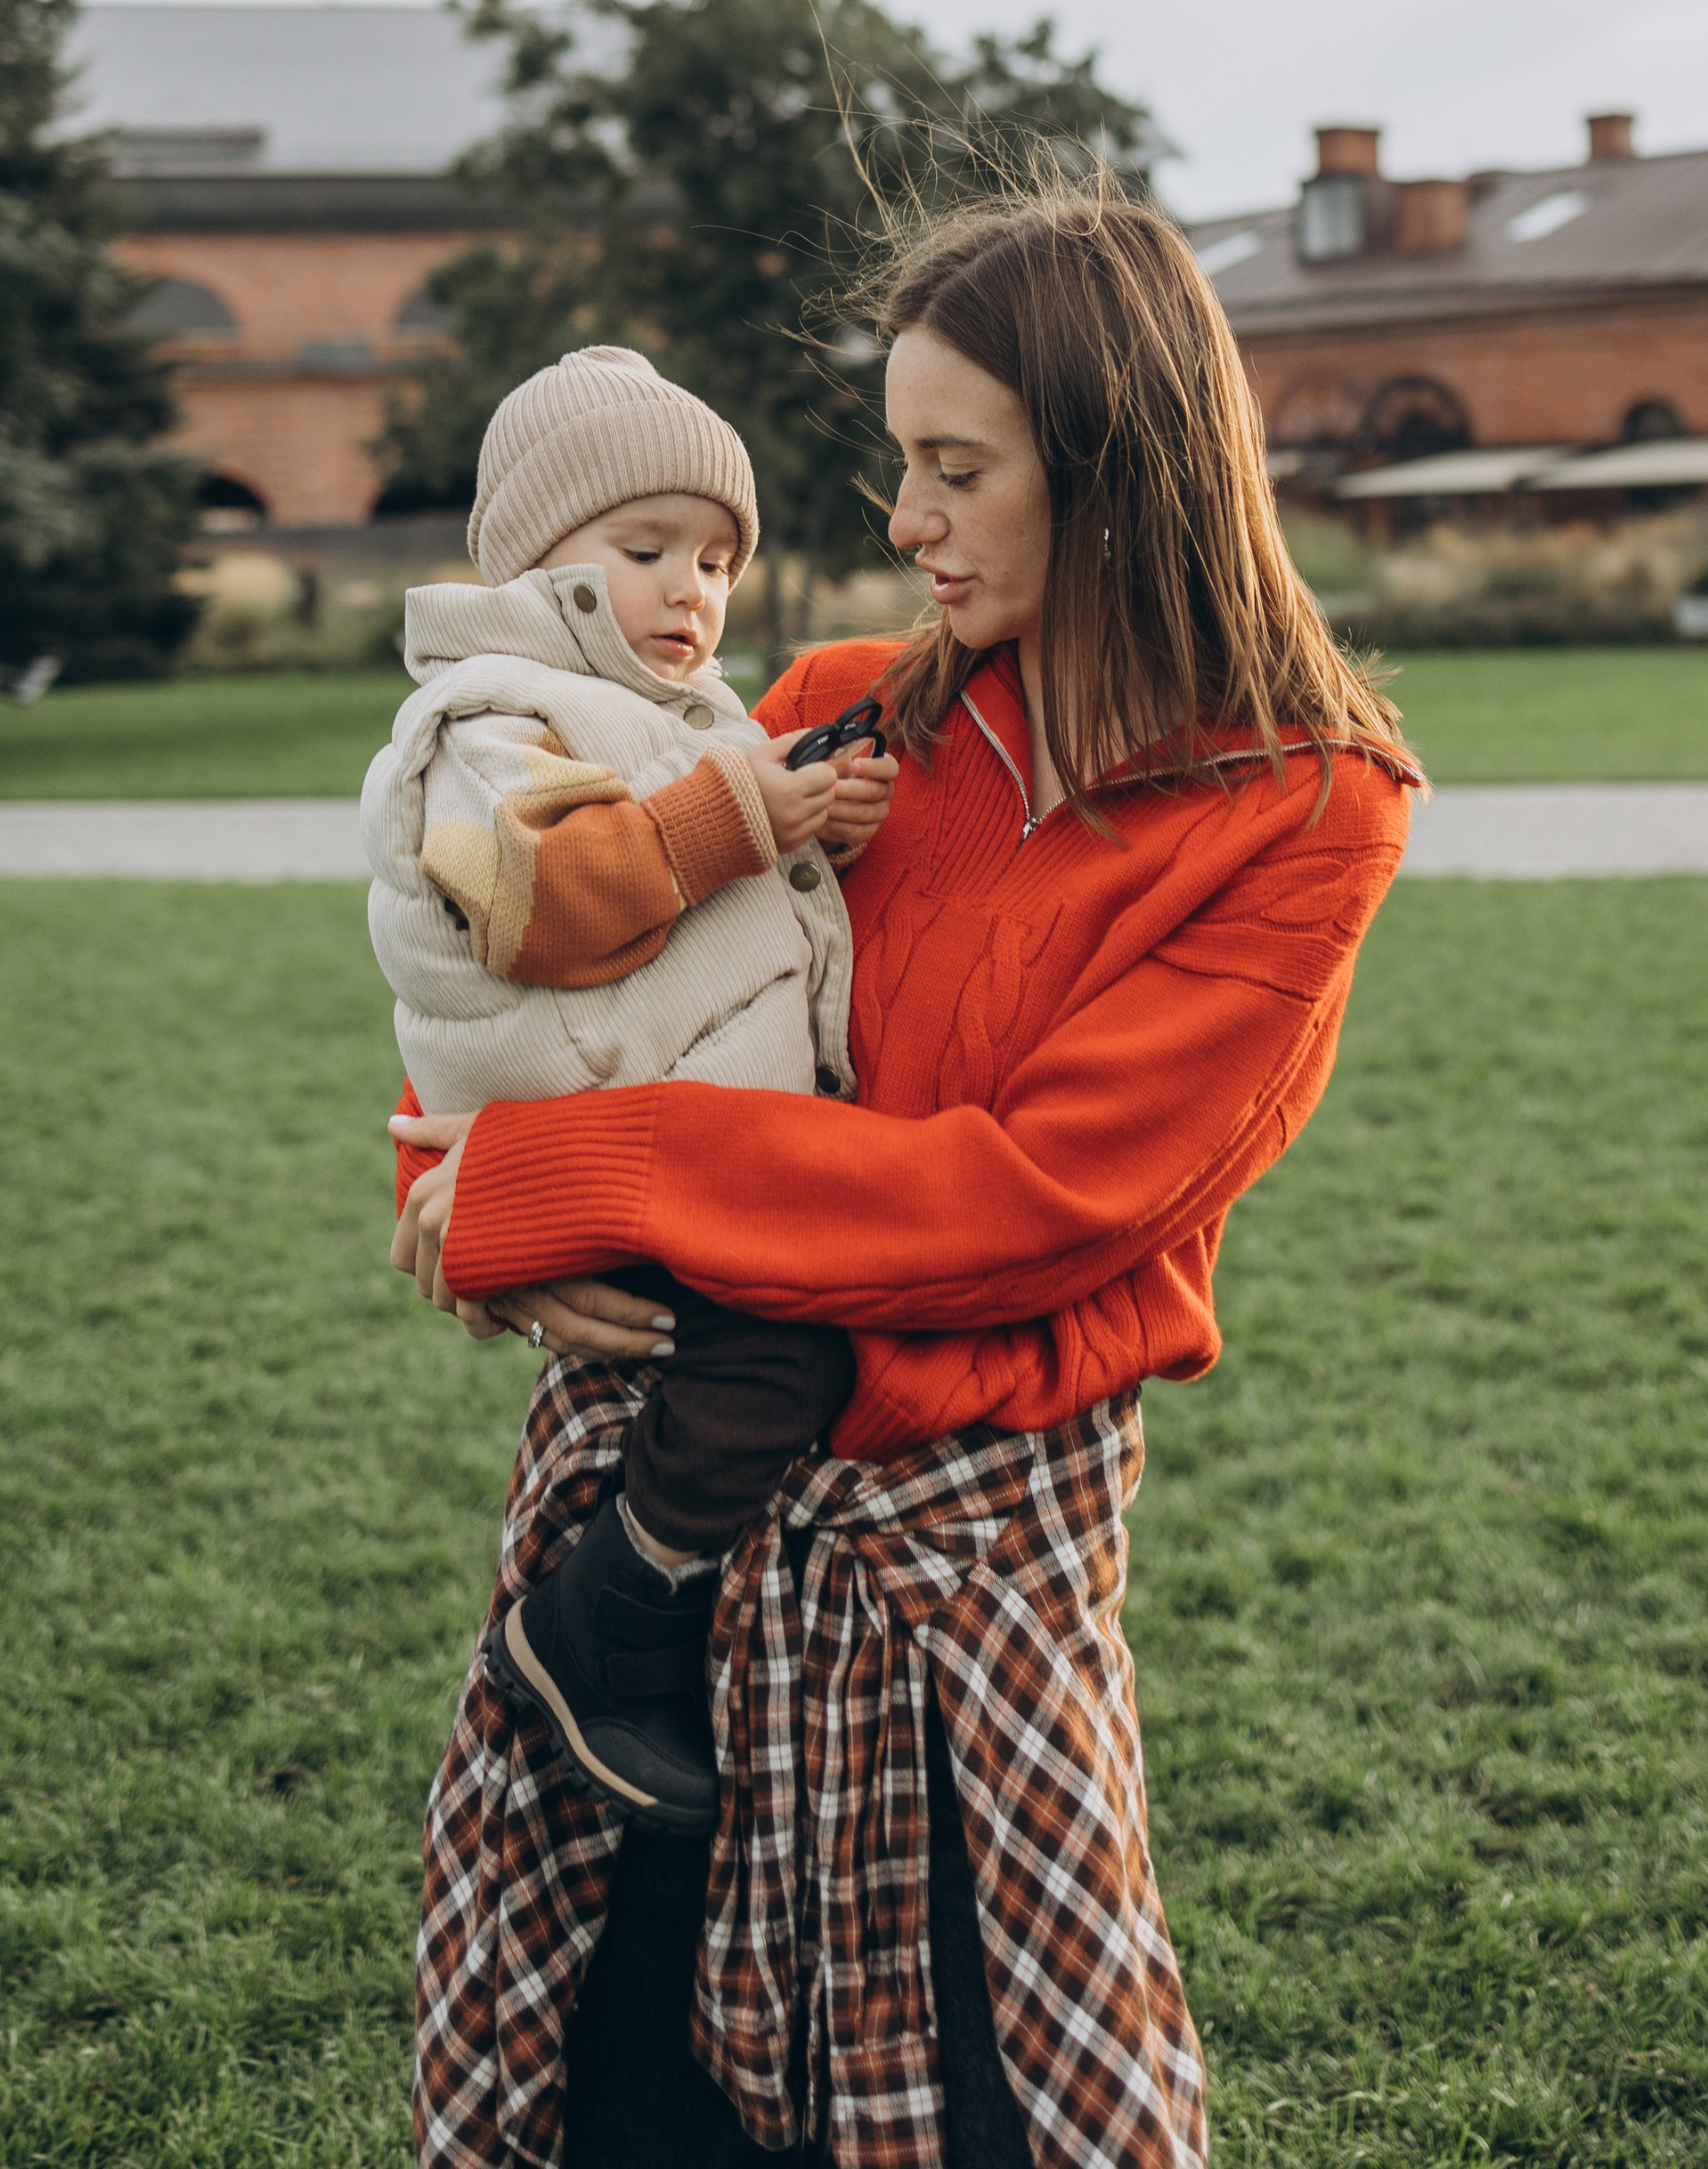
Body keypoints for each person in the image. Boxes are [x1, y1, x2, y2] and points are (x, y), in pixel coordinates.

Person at [391, 191, 1421, 2169]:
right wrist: (450, 1184)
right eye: (898, 465)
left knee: (988, 2110)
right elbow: (548, 954)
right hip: (650, 1579)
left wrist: (550, 1182)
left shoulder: (1302, 811)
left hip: (963, 1587)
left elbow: (1029, 1202)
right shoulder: (830, 718)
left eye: (955, 468)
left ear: (1117, 472)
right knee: (615, 2106)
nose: (903, 516)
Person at [369, 343, 891, 1830]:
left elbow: (700, 905)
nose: (692, 592)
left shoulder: (667, 720)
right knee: (777, 1356)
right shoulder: (482, 719)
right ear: (533, 561)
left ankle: (638, 1612)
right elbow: (548, 896)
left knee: (784, 1350)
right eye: (646, 548)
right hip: (597, 1139)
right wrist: (747, 810)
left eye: (720, 559)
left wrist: (807, 825)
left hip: (646, 1125)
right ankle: (610, 1619)